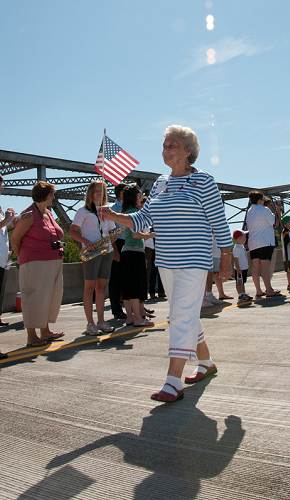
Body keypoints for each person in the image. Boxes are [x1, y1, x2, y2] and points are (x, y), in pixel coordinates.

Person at [99, 124, 233, 403]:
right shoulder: (160, 183)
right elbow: (142, 220)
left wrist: (226, 258)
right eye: (164, 145)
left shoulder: (204, 181)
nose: (166, 149)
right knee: (184, 314)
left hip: (194, 260)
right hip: (167, 261)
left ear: (188, 151)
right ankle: (206, 363)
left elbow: (219, 222)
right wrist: (113, 216)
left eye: (172, 145)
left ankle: (173, 381)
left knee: (180, 317)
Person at [11, 181, 65, 347]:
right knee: (33, 298)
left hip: (53, 260)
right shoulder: (28, 215)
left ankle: (45, 331)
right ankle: (31, 336)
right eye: (52, 194)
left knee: (49, 297)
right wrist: (21, 258)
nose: (54, 197)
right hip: (34, 263)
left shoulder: (48, 213)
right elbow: (15, 239)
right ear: (45, 195)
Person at [70, 181, 116, 335]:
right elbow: (73, 231)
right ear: (90, 193)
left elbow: (112, 233)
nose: (99, 194)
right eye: (96, 191)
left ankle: (102, 321)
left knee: (102, 287)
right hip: (91, 253)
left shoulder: (107, 211)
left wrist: (113, 241)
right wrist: (86, 242)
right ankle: (90, 323)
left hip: (106, 251)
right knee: (89, 288)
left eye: (102, 191)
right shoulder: (83, 211)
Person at [120, 185, 154, 327]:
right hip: (135, 252)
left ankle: (129, 317)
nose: (141, 197)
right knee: (135, 286)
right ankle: (138, 319)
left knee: (127, 287)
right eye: (139, 195)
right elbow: (136, 234)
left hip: (125, 252)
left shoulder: (125, 212)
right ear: (134, 197)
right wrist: (150, 235)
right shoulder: (136, 213)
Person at [245, 190, 280, 298]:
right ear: (260, 200)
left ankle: (259, 291)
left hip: (253, 243)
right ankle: (269, 290)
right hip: (265, 241)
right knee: (265, 266)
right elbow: (275, 223)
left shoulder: (249, 211)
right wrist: (277, 213)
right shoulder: (265, 210)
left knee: (256, 267)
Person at [109, 183, 128, 319]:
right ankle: (116, 309)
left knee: (128, 277)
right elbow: (111, 232)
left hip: (129, 244)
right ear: (121, 193)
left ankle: (133, 306)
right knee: (116, 278)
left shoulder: (129, 208)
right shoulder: (113, 209)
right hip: (118, 243)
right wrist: (115, 250)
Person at [0, 175, 15, 327]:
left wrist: (11, 220)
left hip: (3, 256)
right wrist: (6, 220)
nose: (2, 186)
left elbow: (4, 229)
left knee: (1, 288)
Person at [232, 229, 252, 303]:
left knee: (243, 282)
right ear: (239, 238)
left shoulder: (241, 246)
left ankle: (243, 294)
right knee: (239, 282)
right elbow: (236, 259)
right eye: (244, 237)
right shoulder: (236, 248)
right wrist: (238, 269)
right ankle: (240, 295)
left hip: (244, 268)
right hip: (239, 269)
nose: (245, 239)